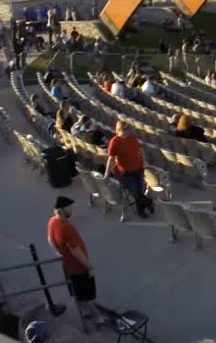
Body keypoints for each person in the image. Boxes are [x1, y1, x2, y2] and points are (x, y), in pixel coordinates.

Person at [48, 196, 108, 327]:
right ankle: (98, 318)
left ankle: (85, 311)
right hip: (79, 268)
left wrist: (59, 254)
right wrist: (89, 267)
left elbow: (50, 239)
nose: (72, 209)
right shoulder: (67, 229)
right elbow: (76, 251)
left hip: (67, 266)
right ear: (62, 210)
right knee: (89, 295)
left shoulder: (52, 222)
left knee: (77, 292)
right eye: (69, 207)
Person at [105, 120, 148, 217]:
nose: (127, 131)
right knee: (135, 192)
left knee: (139, 190)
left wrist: (144, 161)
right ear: (118, 130)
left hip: (138, 168)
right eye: (125, 129)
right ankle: (144, 207)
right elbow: (111, 159)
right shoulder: (114, 142)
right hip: (126, 171)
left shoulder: (132, 137)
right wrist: (106, 173)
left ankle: (142, 209)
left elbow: (140, 150)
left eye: (128, 129)